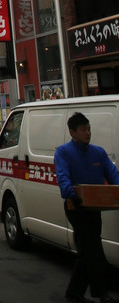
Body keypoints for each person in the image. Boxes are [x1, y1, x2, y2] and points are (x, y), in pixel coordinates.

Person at [54, 111, 119, 303]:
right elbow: (63, 176)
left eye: (89, 129)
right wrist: (72, 193)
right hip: (76, 207)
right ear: (72, 132)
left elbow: (113, 174)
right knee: (94, 248)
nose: (88, 133)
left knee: (87, 250)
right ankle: (102, 293)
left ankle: (74, 293)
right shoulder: (63, 152)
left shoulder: (98, 152)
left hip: (94, 206)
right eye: (83, 130)